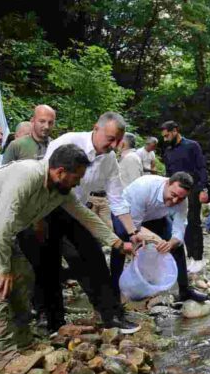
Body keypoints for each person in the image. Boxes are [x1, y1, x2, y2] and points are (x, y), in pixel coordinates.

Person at [0, 144, 124, 370]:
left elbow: (84, 214)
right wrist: (2, 267)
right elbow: (3, 221)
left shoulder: (60, 190)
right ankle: (6, 361)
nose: (78, 183)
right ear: (60, 172)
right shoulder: (27, 176)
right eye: (76, 177)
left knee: (24, 277)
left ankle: (23, 342)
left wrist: (115, 242)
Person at [38, 113, 140, 333]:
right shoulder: (66, 142)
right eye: (110, 138)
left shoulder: (110, 159)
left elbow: (116, 198)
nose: (113, 146)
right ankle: (54, 323)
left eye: (117, 141)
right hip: (47, 209)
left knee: (94, 259)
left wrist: (132, 232)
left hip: (77, 211)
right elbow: (43, 179)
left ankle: (111, 316)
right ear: (96, 128)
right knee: (49, 264)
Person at [110, 173, 210, 303]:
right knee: (122, 245)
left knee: (177, 247)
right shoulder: (144, 187)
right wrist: (142, 239)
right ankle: (113, 291)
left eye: (180, 198)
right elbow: (134, 227)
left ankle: (184, 290)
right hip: (126, 214)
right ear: (167, 183)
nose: (175, 201)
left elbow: (179, 228)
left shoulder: (182, 200)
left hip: (156, 217)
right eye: (173, 195)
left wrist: (171, 243)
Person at [160, 121, 209, 270]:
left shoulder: (192, 146)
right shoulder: (168, 150)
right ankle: (188, 257)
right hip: (175, 192)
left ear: (175, 131)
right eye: (163, 137)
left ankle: (198, 258)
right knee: (180, 223)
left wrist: (203, 189)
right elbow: (168, 174)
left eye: (167, 135)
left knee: (194, 222)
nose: (165, 139)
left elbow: (201, 167)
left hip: (193, 189)